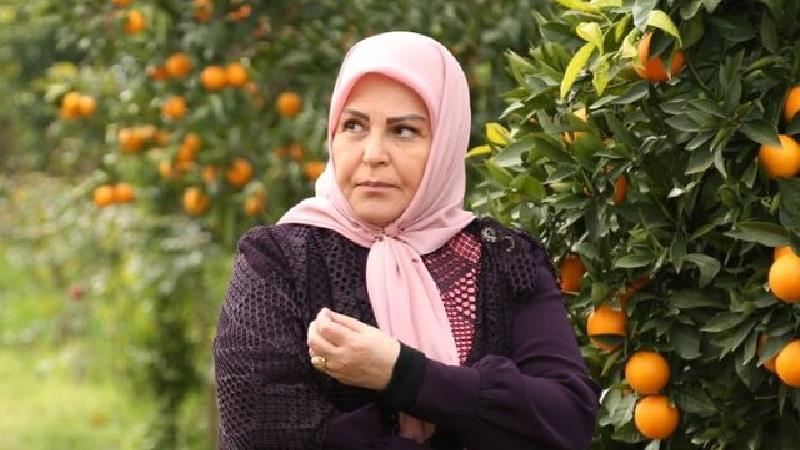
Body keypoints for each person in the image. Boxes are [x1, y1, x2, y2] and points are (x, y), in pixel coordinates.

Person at [213, 31, 599, 450]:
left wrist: (402, 373)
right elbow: (263, 432)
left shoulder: (506, 260)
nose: (373, 153)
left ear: (446, 143)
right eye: (354, 126)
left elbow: (567, 419)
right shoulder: (279, 261)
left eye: (403, 131)